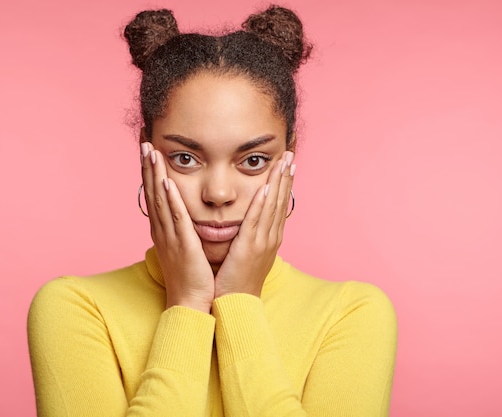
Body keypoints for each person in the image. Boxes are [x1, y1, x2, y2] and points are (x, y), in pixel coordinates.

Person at [27, 5, 397, 417]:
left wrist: (239, 302)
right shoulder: (75, 307)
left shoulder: (352, 313)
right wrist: (187, 303)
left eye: (253, 160)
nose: (218, 193)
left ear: (289, 156)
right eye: (185, 158)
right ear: (146, 153)